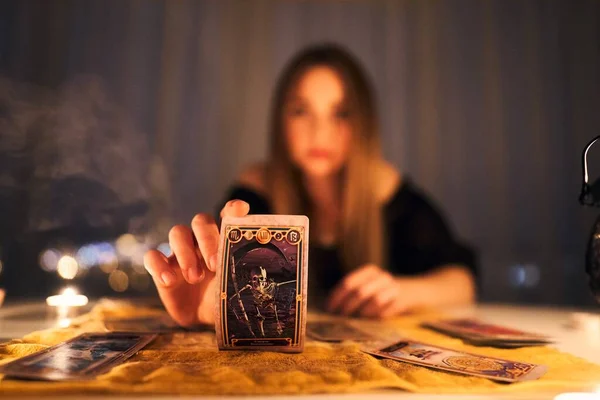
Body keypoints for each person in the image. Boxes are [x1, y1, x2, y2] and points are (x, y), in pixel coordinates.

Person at [144, 44, 477, 327]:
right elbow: (219, 281)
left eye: (341, 113)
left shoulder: (385, 189)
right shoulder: (256, 192)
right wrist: (208, 297)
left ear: (363, 124)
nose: (319, 132)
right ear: (280, 121)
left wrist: (403, 292)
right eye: (301, 111)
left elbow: (462, 281)